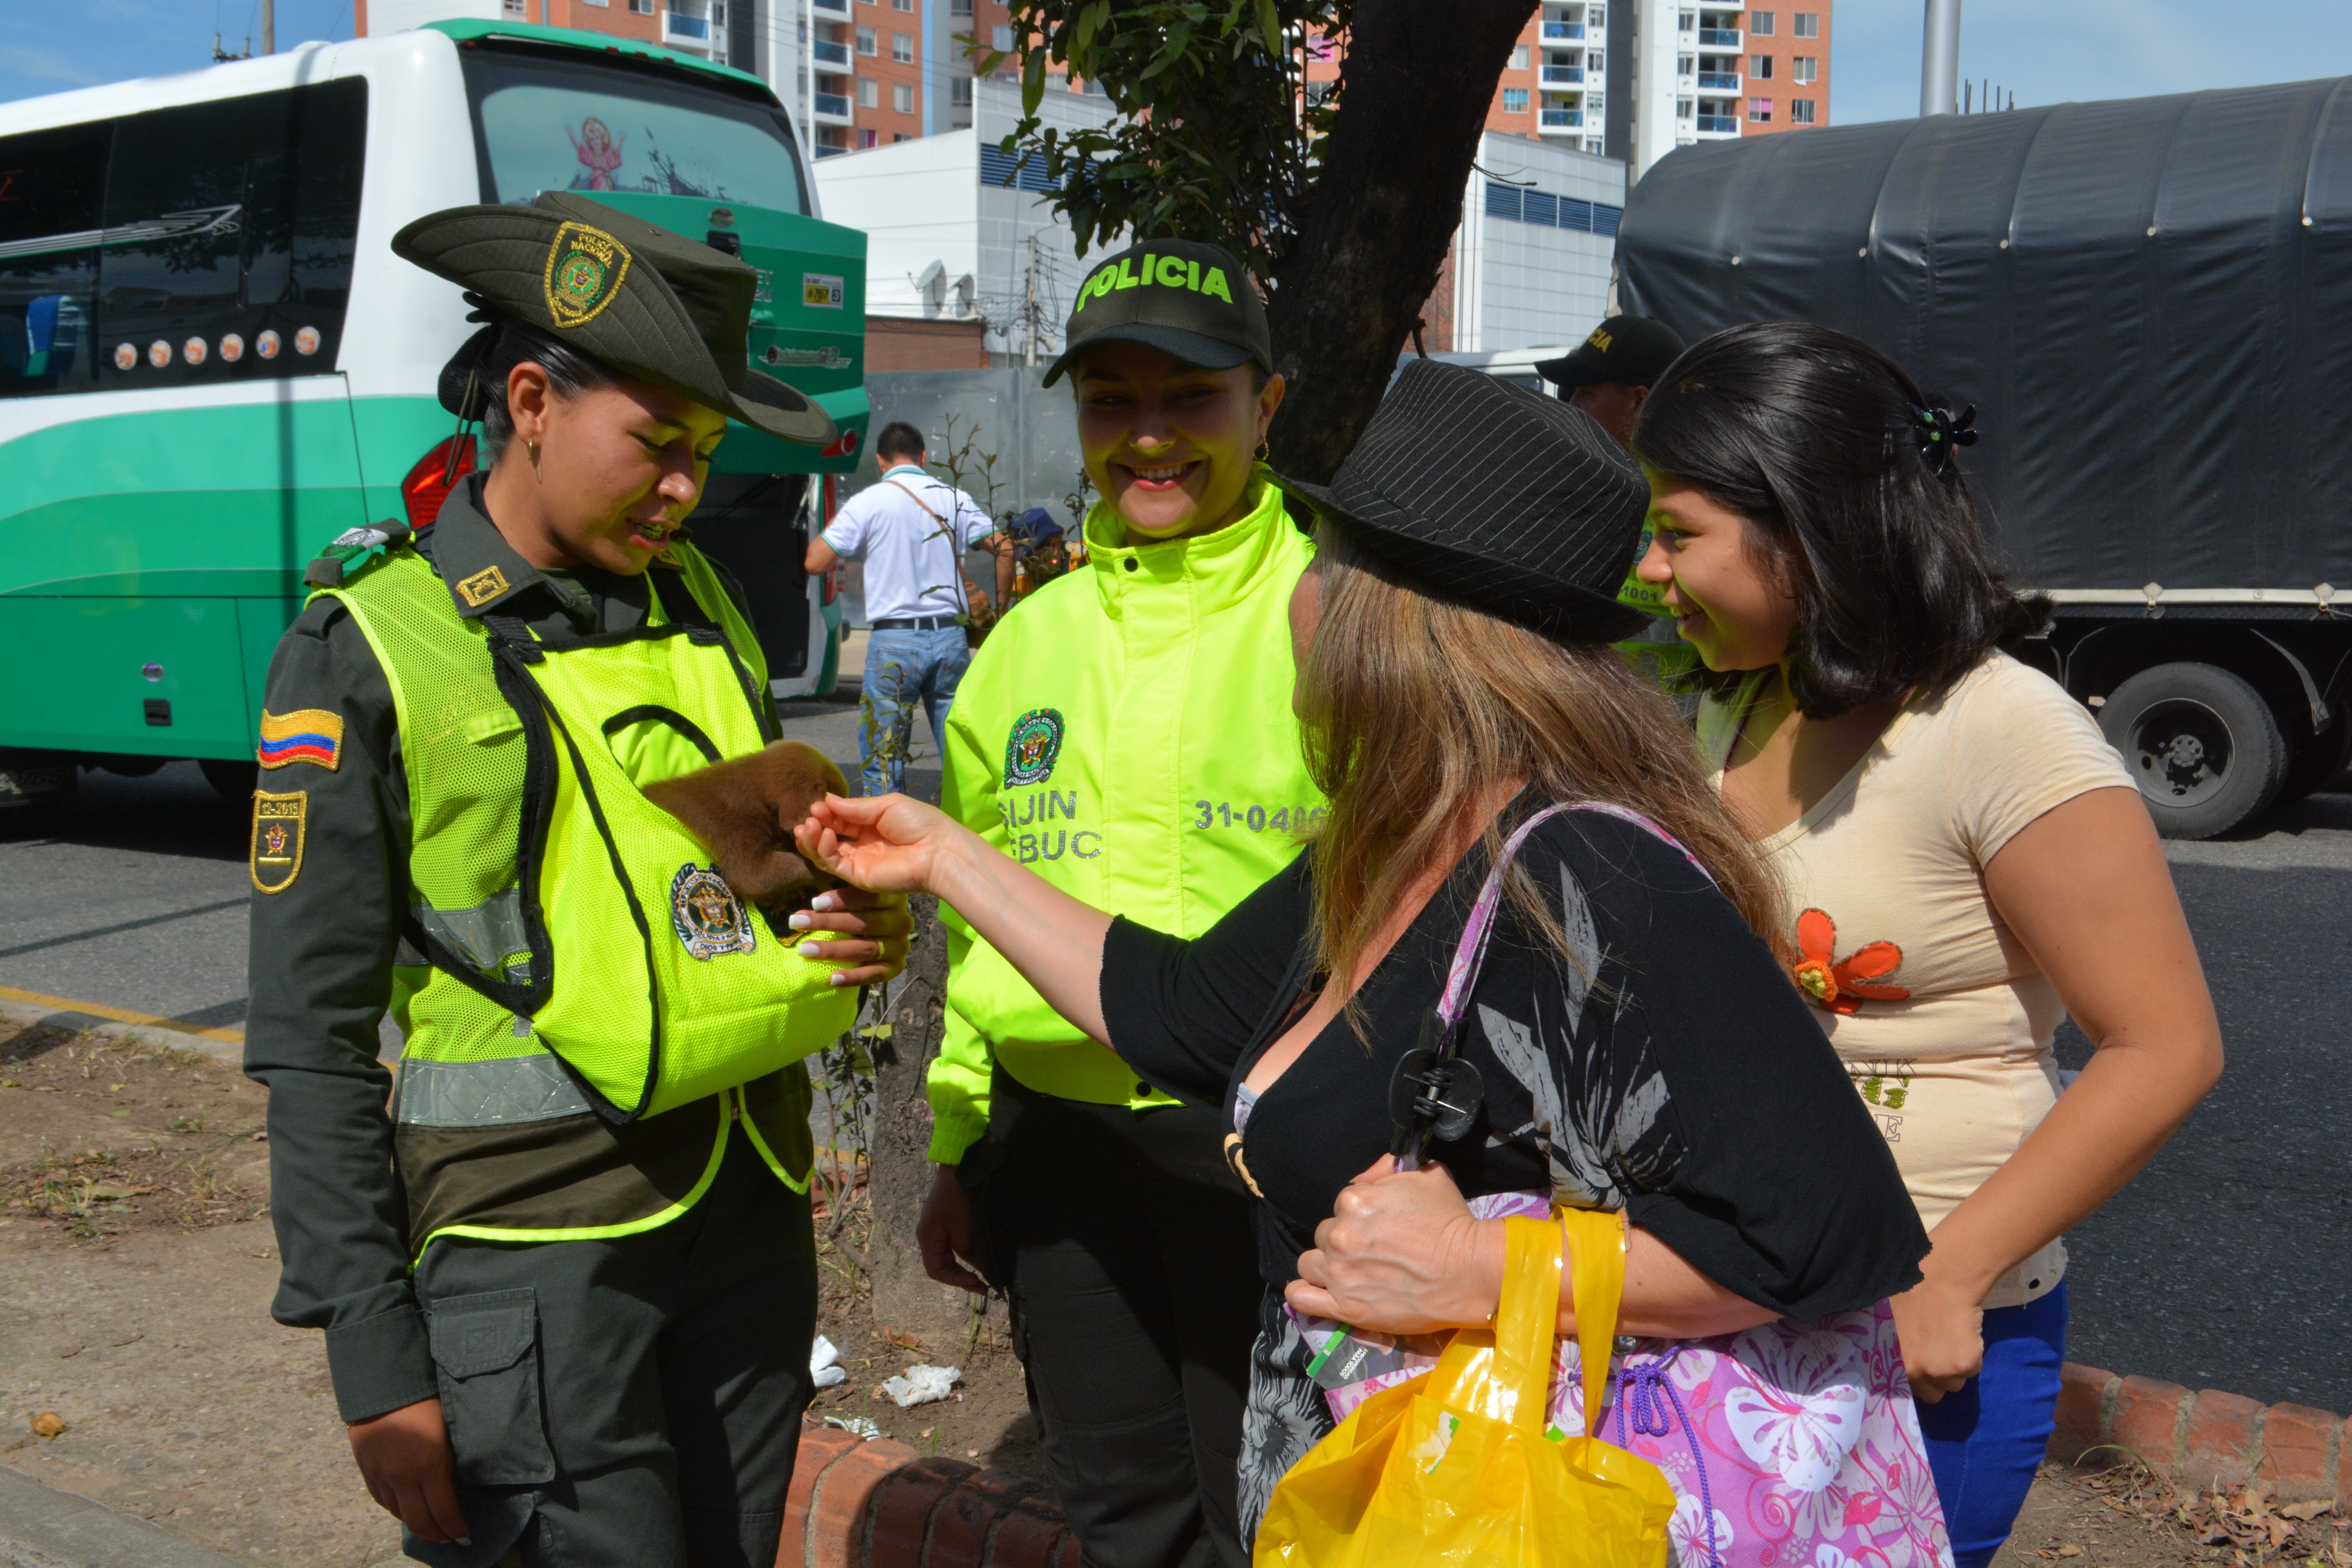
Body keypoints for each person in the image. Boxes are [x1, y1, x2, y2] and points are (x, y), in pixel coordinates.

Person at [793, 359, 1947, 1558]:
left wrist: (1481, 1264)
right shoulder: (1395, 837)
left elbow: (1820, 1234)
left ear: (1384, 614)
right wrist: (939, 857)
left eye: (1320, 557)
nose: (1293, 588)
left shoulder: (1591, 878)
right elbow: (1182, 1010)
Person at [243, 192, 911, 1568]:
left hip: (746, 1212)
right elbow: (308, 1043)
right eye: (658, 446)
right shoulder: (367, 643)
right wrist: (374, 1360)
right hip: (529, 1248)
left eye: (708, 454)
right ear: (533, 401)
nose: (685, 490)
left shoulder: (701, 605)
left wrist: (849, 919)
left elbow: (740, 888)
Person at [1629, 320, 2224, 1568]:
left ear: (1800, 531)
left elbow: (2162, 1045)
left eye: (1677, 532)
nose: (1646, 569)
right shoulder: (1720, 705)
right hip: (1710, 1315)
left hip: (1920, 1347)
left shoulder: (1999, 729)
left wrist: (1949, 1275)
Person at [884, 237, 1313, 1568]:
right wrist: (963, 1140)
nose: (1151, 440)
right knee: (1123, 1517)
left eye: (1192, 398)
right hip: (1062, 1161)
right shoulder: (1026, 645)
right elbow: (979, 911)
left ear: (1269, 403)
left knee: (1286, 1517)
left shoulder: (1345, 622)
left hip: (1270, 1154)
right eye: (1113, 403)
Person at [804, 422, 1008, 795]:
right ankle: (968, 831)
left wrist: (840, 523)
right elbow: (1005, 549)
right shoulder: (954, 497)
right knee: (961, 753)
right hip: (949, 638)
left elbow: (815, 561)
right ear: (924, 457)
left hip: (894, 643)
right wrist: (1003, 608)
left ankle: (890, 843)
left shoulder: (868, 503)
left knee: (883, 759)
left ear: (881, 462)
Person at [1534, 313, 1686, 447]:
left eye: (1586, 393)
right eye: (1573, 392)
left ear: (1640, 401)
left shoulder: (1672, 479)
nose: (1572, 405)